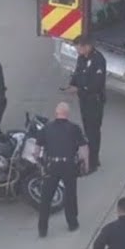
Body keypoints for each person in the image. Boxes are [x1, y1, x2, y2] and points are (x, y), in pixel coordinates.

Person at [35, 102, 88, 238]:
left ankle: (42, 229)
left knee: (46, 197)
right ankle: (72, 223)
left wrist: (41, 164)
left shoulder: (46, 129)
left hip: (52, 165)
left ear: (56, 113)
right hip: (69, 166)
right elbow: (83, 148)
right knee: (70, 195)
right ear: (67, 114)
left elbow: (37, 150)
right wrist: (85, 164)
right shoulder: (74, 128)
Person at [64, 35, 106, 174]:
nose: (77, 51)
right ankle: (91, 157)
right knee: (87, 130)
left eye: (79, 48)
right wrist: (72, 84)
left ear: (87, 46)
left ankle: (93, 162)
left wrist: (80, 89)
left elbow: (97, 84)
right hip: (84, 100)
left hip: (94, 101)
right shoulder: (82, 58)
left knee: (93, 132)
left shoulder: (98, 60)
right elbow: (78, 73)